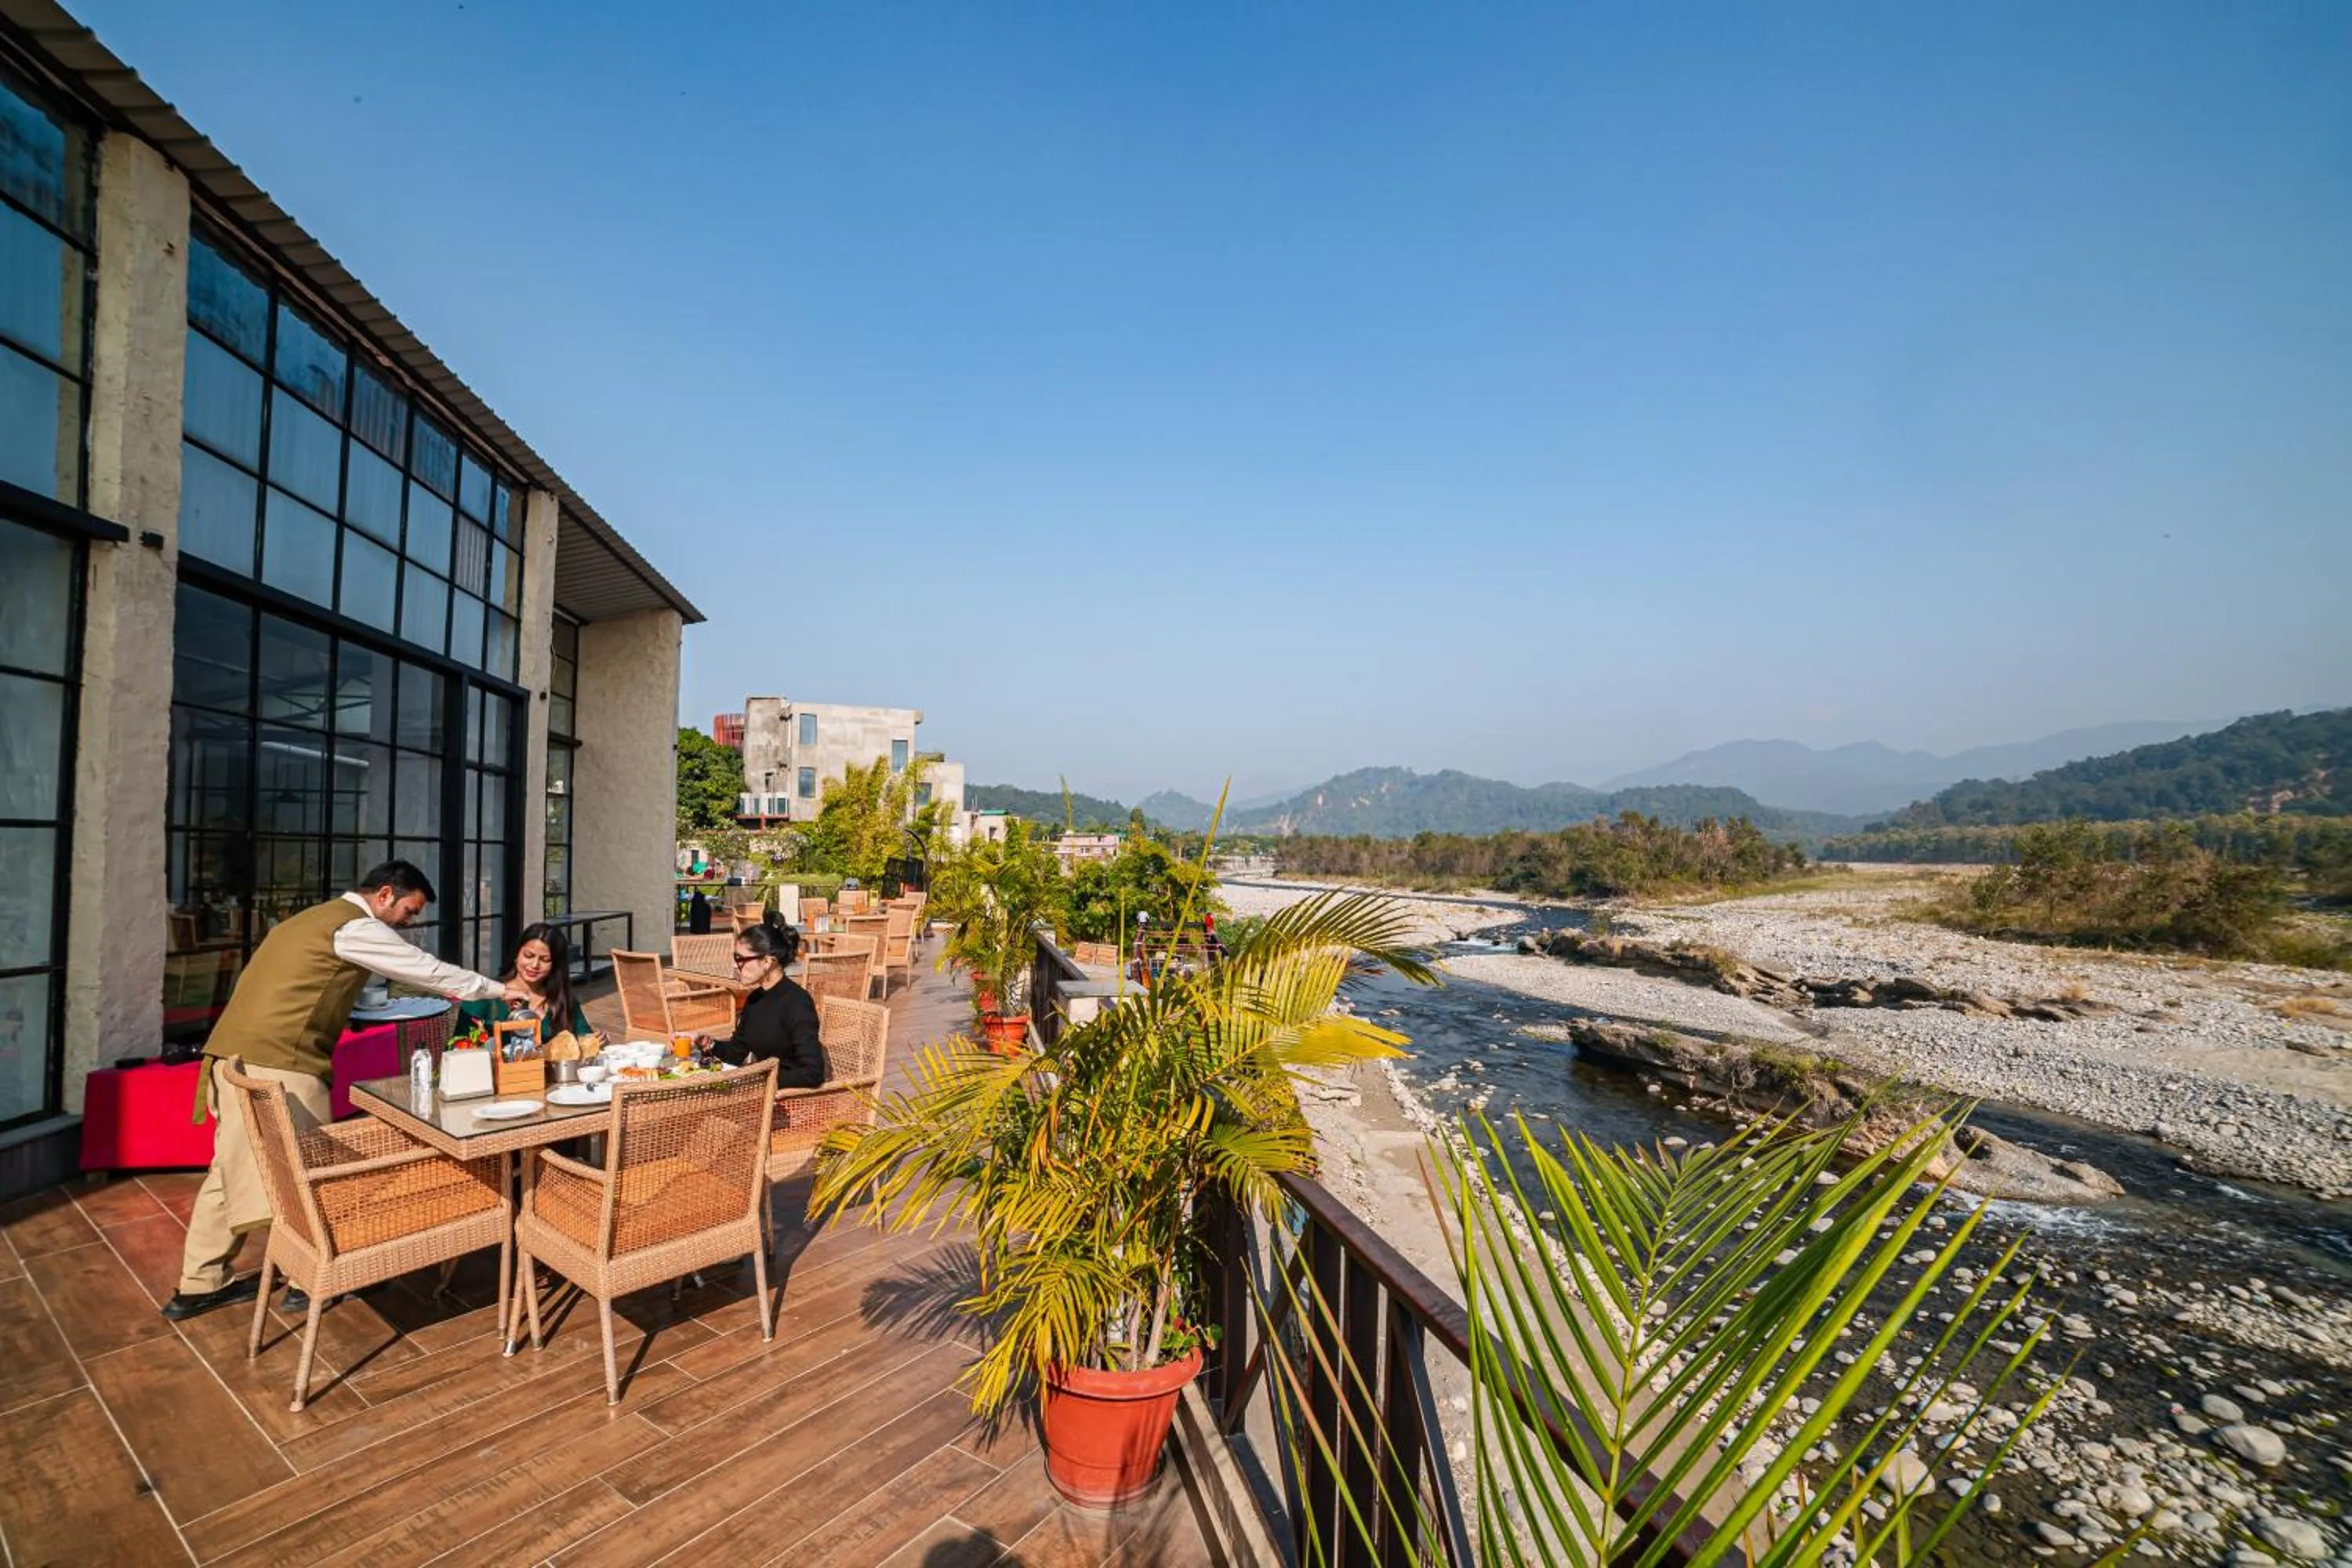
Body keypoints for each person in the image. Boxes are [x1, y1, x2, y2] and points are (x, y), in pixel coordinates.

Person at [162, 861, 528, 1321]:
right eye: (409, 911)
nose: (409, 923)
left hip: (232, 1056)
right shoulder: (355, 927)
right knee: (311, 1173)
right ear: (385, 895)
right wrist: (499, 990)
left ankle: (201, 1282)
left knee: (231, 1170)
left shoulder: (308, 922)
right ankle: (309, 1279)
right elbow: (427, 971)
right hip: (279, 1062)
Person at [702, 913, 825, 1088]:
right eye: (734, 958)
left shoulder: (797, 1003)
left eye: (741, 959)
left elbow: (813, 1073)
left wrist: (758, 1081)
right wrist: (708, 1042)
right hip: (761, 1094)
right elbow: (736, 1054)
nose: (735, 966)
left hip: (791, 1100)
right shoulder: (755, 999)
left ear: (768, 962)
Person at [456, 922, 592, 1040]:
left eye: (545, 960)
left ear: (556, 966)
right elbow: (457, 1048)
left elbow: (584, 1037)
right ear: (516, 955)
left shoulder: (563, 1000)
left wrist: (595, 1041)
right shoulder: (485, 996)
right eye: (529, 956)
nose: (534, 965)